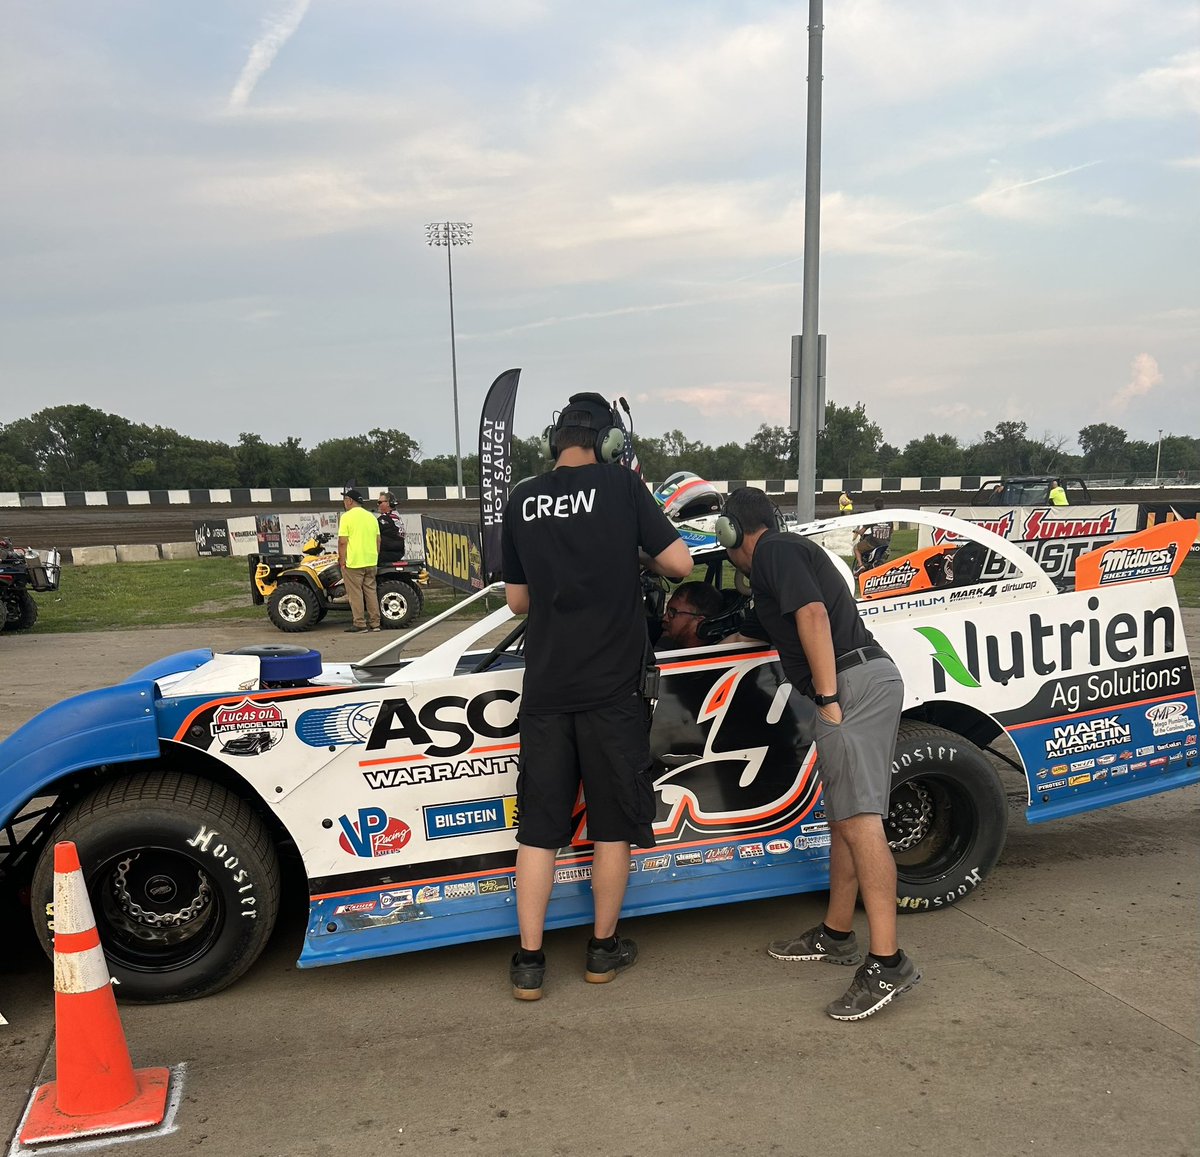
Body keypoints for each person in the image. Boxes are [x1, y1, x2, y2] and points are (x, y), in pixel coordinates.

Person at [501, 392, 693, 1001]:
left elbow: (518, 601)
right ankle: (602, 953)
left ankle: (530, 963)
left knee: (539, 829)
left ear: (553, 440)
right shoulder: (621, 488)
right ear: (611, 442)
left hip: (548, 690)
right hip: (613, 693)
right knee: (612, 827)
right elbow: (682, 565)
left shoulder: (523, 498)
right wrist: (627, 555)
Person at [719, 486, 920, 1021]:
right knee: (845, 820)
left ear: (731, 532)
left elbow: (810, 612)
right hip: (858, 679)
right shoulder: (775, 566)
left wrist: (828, 699)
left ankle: (889, 961)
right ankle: (836, 933)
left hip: (850, 685)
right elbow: (777, 622)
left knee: (859, 820)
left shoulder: (775, 551)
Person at [337, 486, 381, 633]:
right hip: (371, 560)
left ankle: (360, 623)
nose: (344, 502)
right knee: (371, 592)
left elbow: (343, 541)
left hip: (354, 562)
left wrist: (342, 560)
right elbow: (378, 540)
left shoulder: (346, 517)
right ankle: (375, 623)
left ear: (350, 501)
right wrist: (375, 555)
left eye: (344, 499)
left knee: (355, 593)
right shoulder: (371, 517)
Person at [658, 581, 724, 650]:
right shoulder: (665, 644)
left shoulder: (708, 658)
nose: (665, 618)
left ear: (699, 623)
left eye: (672, 612)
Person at [852, 500, 894, 573]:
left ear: (875, 506)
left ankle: (860, 565)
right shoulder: (888, 518)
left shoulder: (873, 517)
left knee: (856, 548)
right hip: (885, 543)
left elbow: (862, 531)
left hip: (873, 542)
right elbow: (891, 531)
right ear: (883, 505)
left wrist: (856, 531)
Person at [376, 491, 406, 565]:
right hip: (399, 553)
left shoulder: (383, 519)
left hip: (385, 555)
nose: (378, 505)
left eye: (380, 502)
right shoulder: (397, 516)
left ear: (388, 503)